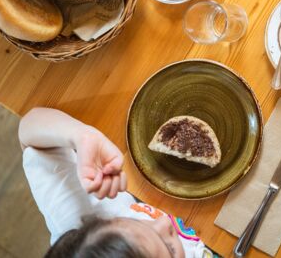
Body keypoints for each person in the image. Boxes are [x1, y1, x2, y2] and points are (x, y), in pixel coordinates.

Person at [19, 107, 213, 257]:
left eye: (141, 224)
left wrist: (82, 136)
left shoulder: (81, 220)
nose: (163, 222)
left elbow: (29, 134)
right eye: (170, 250)